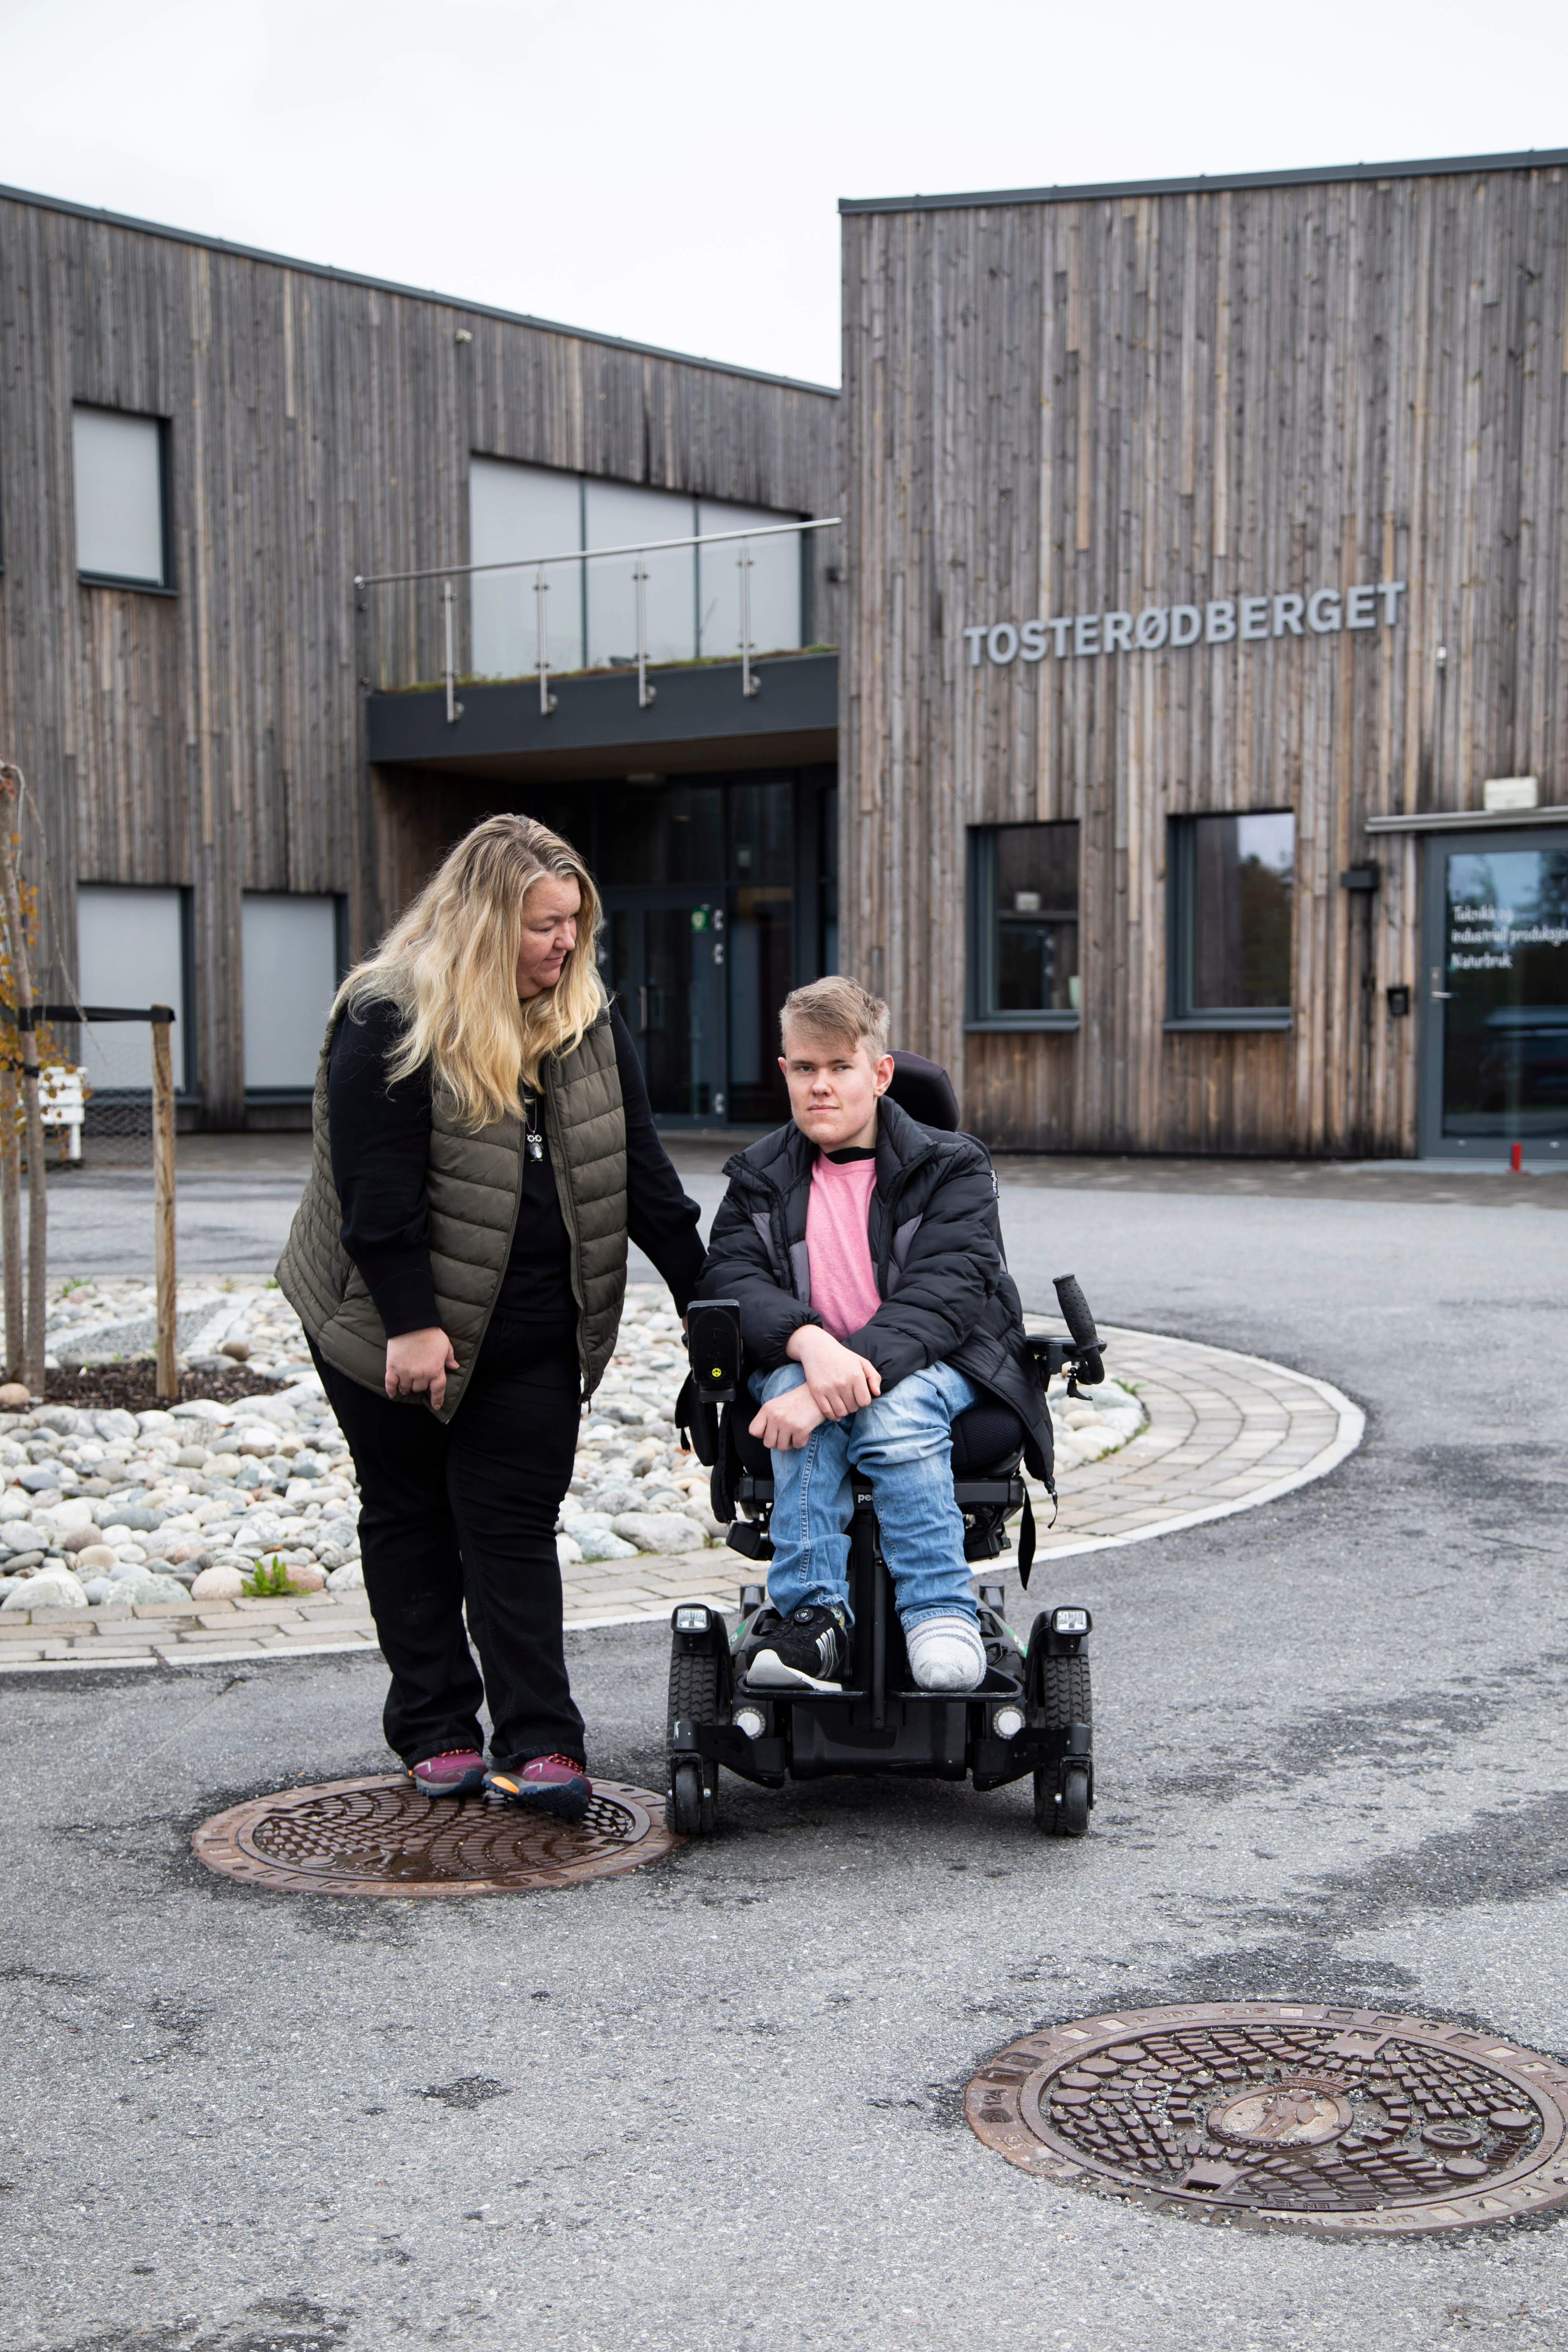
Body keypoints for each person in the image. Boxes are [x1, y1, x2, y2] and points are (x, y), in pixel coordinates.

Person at [277, 814, 705, 1820]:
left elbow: (646, 1184)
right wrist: (412, 1323)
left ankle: (541, 1740)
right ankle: (435, 1729)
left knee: (510, 1526)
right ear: (482, 922)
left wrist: (715, 1309)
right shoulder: (389, 1014)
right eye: (544, 924)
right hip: (382, 1318)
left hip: (535, 1328)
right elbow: (375, 1196)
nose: (566, 942)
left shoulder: (588, 1022)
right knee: (412, 1517)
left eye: (574, 922)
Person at [697, 976, 1051, 1693]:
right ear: (785, 1072)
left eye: (840, 1067)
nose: (821, 1086)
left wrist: (835, 1378)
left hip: (941, 1360)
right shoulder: (758, 1176)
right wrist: (812, 1349)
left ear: (880, 1073)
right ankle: (814, 1619)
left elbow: (946, 1295)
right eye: (805, 1068)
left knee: (892, 1410)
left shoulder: (952, 1165)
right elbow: (731, 1281)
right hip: (807, 1359)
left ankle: (938, 1610)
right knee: (794, 1394)